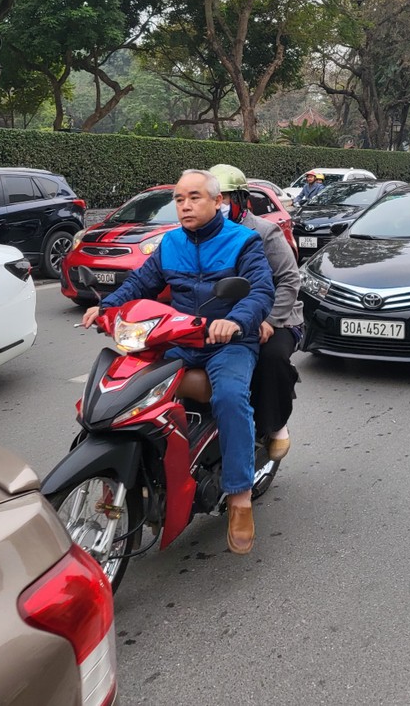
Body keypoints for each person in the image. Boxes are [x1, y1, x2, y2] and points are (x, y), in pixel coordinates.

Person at [82, 169, 274, 556]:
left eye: (195, 197)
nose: (185, 205)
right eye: (180, 199)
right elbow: (139, 284)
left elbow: (261, 290)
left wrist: (235, 321)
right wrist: (106, 307)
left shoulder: (244, 241)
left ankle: (239, 496)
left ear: (217, 201)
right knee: (132, 389)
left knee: (231, 398)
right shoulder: (169, 244)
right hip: (180, 337)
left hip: (229, 343)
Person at [209, 164, 303, 462]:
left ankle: (275, 424)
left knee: (269, 356)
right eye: (213, 197)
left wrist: (269, 319)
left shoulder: (264, 232)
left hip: (277, 316)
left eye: (223, 198)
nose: (217, 205)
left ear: (239, 200)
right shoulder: (199, 236)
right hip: (226, 318)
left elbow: (289, 279)